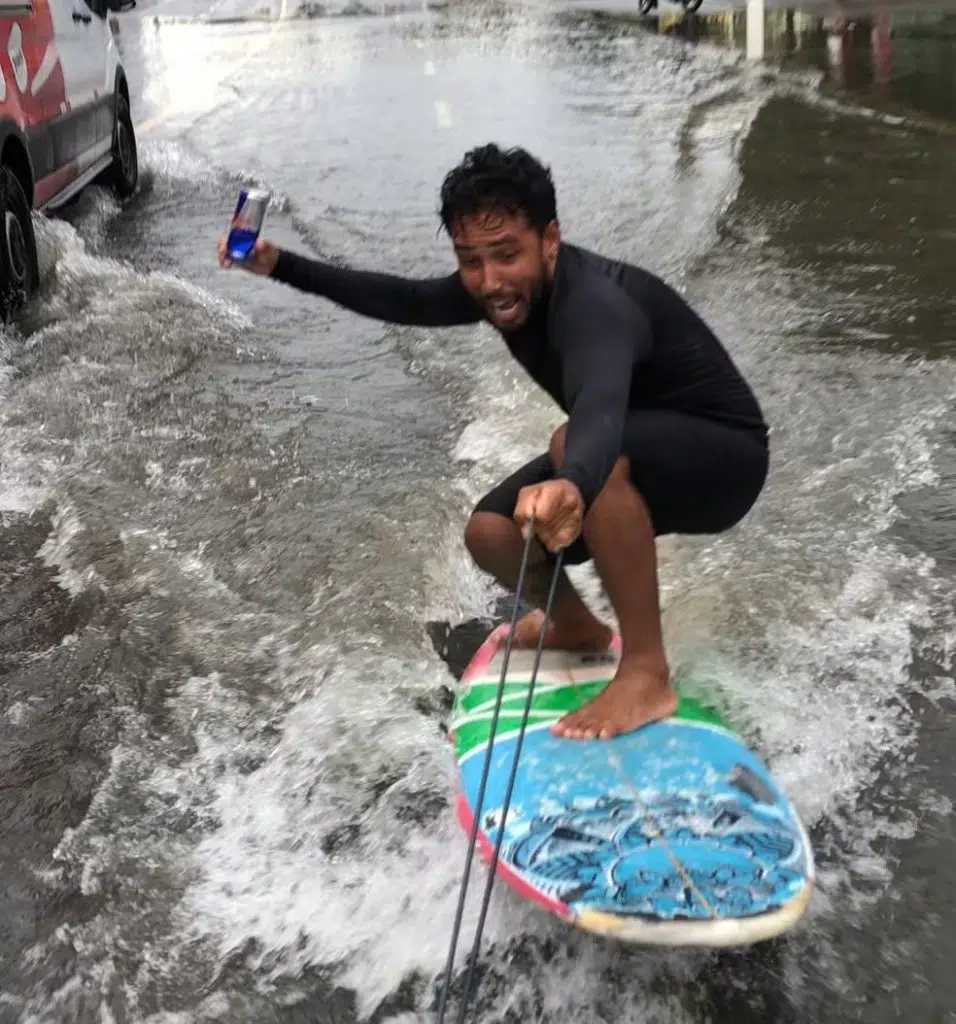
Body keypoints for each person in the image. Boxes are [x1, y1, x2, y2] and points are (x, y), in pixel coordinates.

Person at [217, 143, 769, 740]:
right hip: (629, 455)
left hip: (723, 461)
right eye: (470, 260)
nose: (489, 281)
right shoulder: (497, 288)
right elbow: (401, 299)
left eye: (507, 255)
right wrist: (279, 265)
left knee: (570, 444)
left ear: (549, 239)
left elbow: (600, 408)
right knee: (490, 532)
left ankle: (644, 672)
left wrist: (574, 483)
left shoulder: (597, 308)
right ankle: (579, 629)